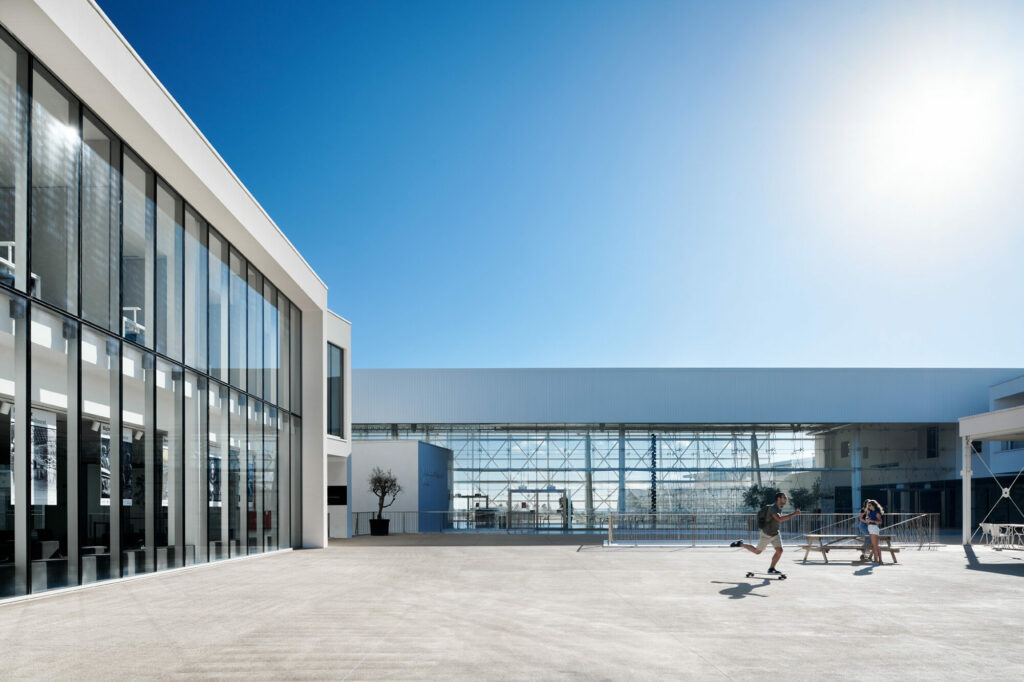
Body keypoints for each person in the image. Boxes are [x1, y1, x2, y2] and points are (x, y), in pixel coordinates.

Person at [730, 492, 802, 575]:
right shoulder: (772, 508)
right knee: (757, 551)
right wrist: (793, 514)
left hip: (775, 534)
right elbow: (779, 519)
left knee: (779, 551)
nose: (786, 499)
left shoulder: (779, 508)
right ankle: (741, 544)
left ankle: (771, 568)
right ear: (778, 499)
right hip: (766, 534)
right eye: (784, 497)